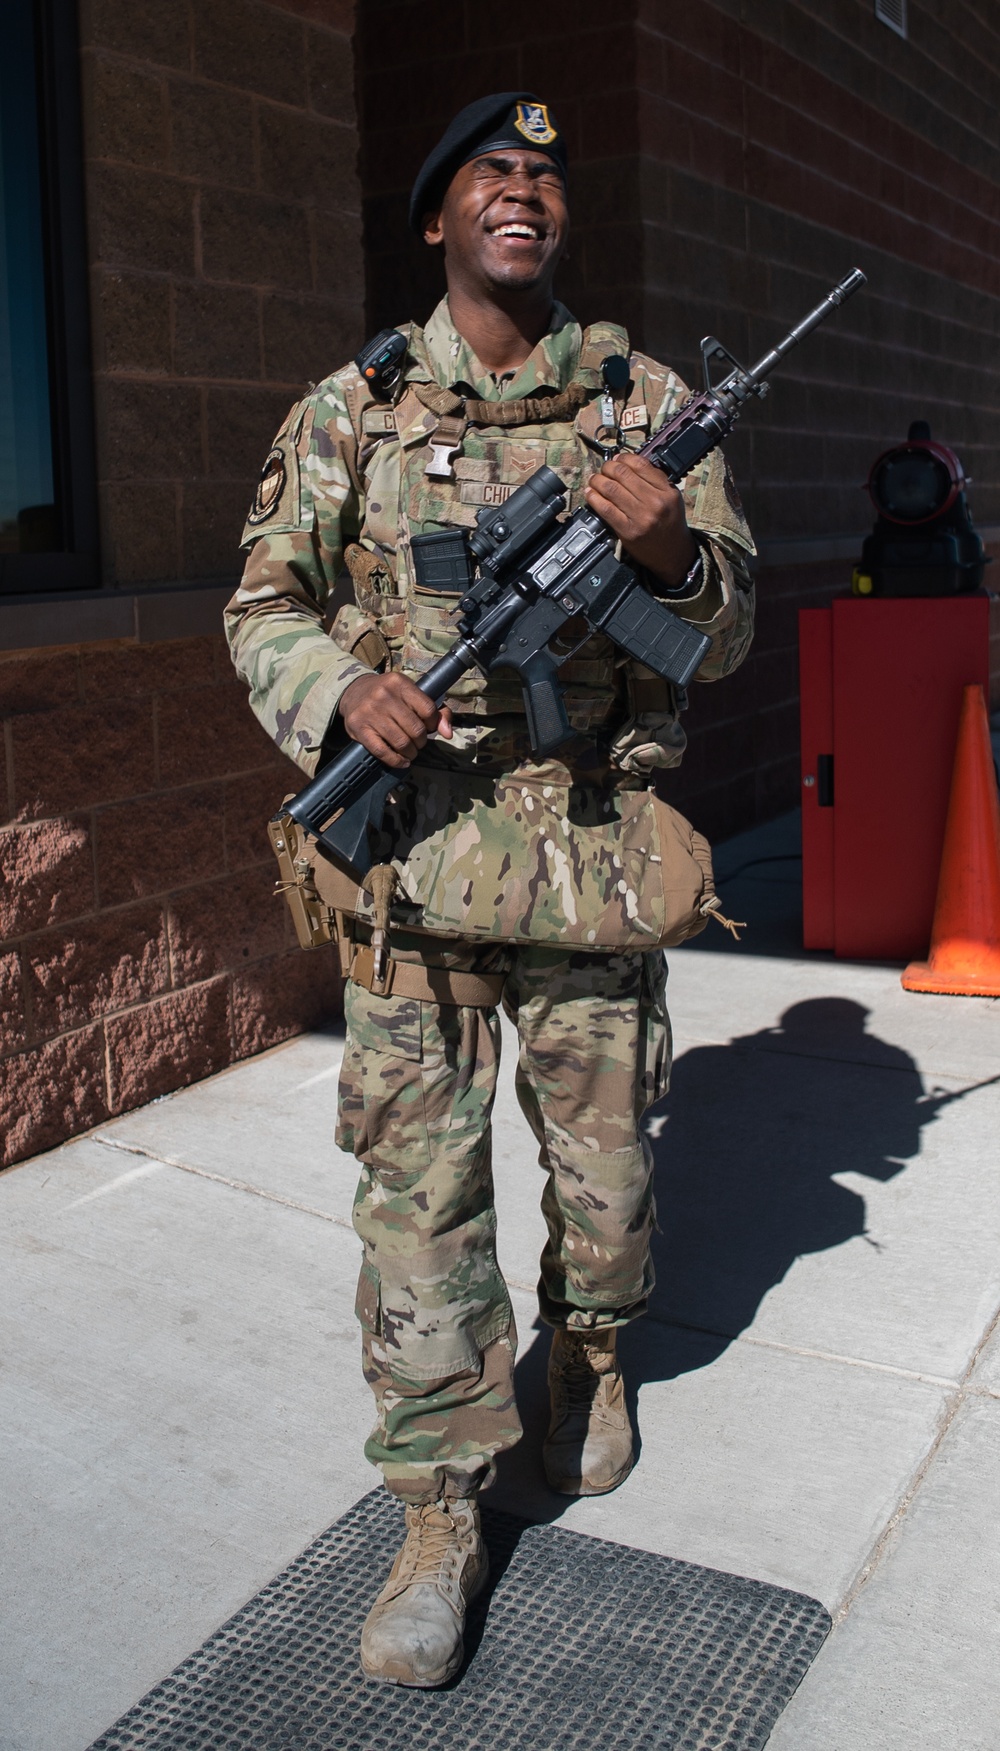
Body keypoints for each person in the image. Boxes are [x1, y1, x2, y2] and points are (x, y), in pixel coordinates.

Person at [226, 92, 755, 1690]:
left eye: (543, 176)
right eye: (489, 178)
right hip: (412, 870)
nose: (522, 196)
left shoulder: (644, 400)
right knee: (419, 1211)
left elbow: (721, 636)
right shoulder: (356, 412)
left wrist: (669, 559)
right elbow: (263, 600)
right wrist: (338, 695)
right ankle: (438, 1512)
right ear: (439, 220)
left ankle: (590, 1360)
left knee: (607, 1191)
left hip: (591, 870)